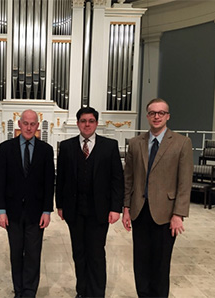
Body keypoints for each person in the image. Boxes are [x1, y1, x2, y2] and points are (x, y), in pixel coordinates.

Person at [122, 98, 193, 297]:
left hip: (166, 213)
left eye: (161, 113)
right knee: (141, 263)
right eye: (152, 112)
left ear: (167, 116)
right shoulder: (136, 143)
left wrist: (178, 213)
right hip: (139, 211)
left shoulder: (182, 143)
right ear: (147, 116)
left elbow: (184, 182)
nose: (156, 116)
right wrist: (126, 208)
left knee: (161, 266)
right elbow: (128, 178)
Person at [55, 106, 124, 298]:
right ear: (77, 123)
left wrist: (115, 208)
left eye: (91, 121)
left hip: (99, 210)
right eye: (83, 121)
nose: (87, 124)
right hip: (74, 210)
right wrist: (59, 204)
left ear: (96, 123)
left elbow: (117, 179)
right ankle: (82, 291)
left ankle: (96, 293)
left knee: (95, 253)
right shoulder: (67, 146)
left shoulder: (109, 146)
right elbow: (60, 178)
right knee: (79, 253)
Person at [0, 109, 55, 298]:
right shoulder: (6, 148)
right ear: (19, 124)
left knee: (33, 254)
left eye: (33, 124)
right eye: (26, 123)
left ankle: (29, 292)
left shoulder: (46, 150)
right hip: (12, 211)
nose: (29, 127)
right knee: (15, 254)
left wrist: (47, 210)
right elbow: (0, 181)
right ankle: (18, 290)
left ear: (37, 126)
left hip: (36, 212)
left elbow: (48, 183)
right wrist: (1, 210)